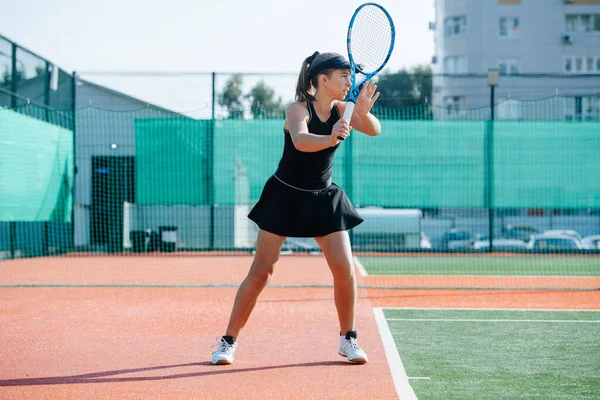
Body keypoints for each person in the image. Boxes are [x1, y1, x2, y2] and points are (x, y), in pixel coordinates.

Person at [211, 51, 382, 365]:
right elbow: (302, 140)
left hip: (323, 197)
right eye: (342, 75)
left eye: (349, 76)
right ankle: (227, 341)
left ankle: (349, 339)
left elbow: (373, 129)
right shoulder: (297, 109)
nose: (349, 82)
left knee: (345, 269)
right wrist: (331, 137)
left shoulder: (345, 109)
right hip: (285, 196)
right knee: (261, 272)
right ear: (322, 79)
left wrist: (364, 112)